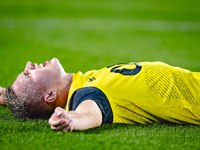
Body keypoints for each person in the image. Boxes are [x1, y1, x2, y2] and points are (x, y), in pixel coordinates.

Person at [1, 58, 200, 133]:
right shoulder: (86, 96)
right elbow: (89, 115)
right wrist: (70, 119)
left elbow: (22, 98)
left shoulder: (82, 82)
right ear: (51, 96)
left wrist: (5, 96)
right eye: (28, 74)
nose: (28, 64)